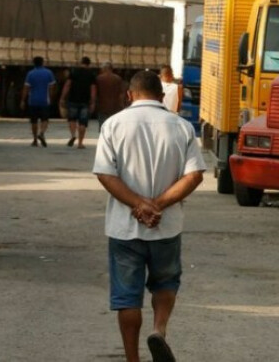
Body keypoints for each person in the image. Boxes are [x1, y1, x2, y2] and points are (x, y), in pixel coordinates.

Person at [93, 71, 206, 362]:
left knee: (127, 298)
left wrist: (138, 205)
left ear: (129, 95)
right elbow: (194, 175)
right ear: (161, 95)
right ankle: (159, 329)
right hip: (166, 226)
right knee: (166, 283)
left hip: (124, 228)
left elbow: (105, 173)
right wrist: (157, 205)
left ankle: (133, 359)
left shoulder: (113, 125)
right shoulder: (181, 127)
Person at [60, 56, 97, 149]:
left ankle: (73, 135)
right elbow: (93, 89)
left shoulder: (74, 72)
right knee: (83, 123)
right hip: (85, 101)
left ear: (81, 62)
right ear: (89, 64)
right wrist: (93, 102)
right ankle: (80, 143)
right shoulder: (91, 74)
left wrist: (62, 97)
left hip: (73, 100)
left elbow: (68, 85)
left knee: (72, 119)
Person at [20, 56, 56, 147]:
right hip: (45, 100)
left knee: (34, 121)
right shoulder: (49, 73)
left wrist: (23, 100)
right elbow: (52, 88)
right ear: (43, 62)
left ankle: (35, 140)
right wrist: (51, 98)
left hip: (33, 100)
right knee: (45, 119)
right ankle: (42, 133)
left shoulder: (30, 74)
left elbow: (26, 88)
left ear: (34, 63)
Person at [95, 62, 127, 128]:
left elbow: (95, 93)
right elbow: (121, 93)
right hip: (115, 106)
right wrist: (122, 104)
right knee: (114, 126)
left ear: (104, 69)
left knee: (103, 126)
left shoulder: (99, 78)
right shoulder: (118, 78)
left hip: (102, 106)